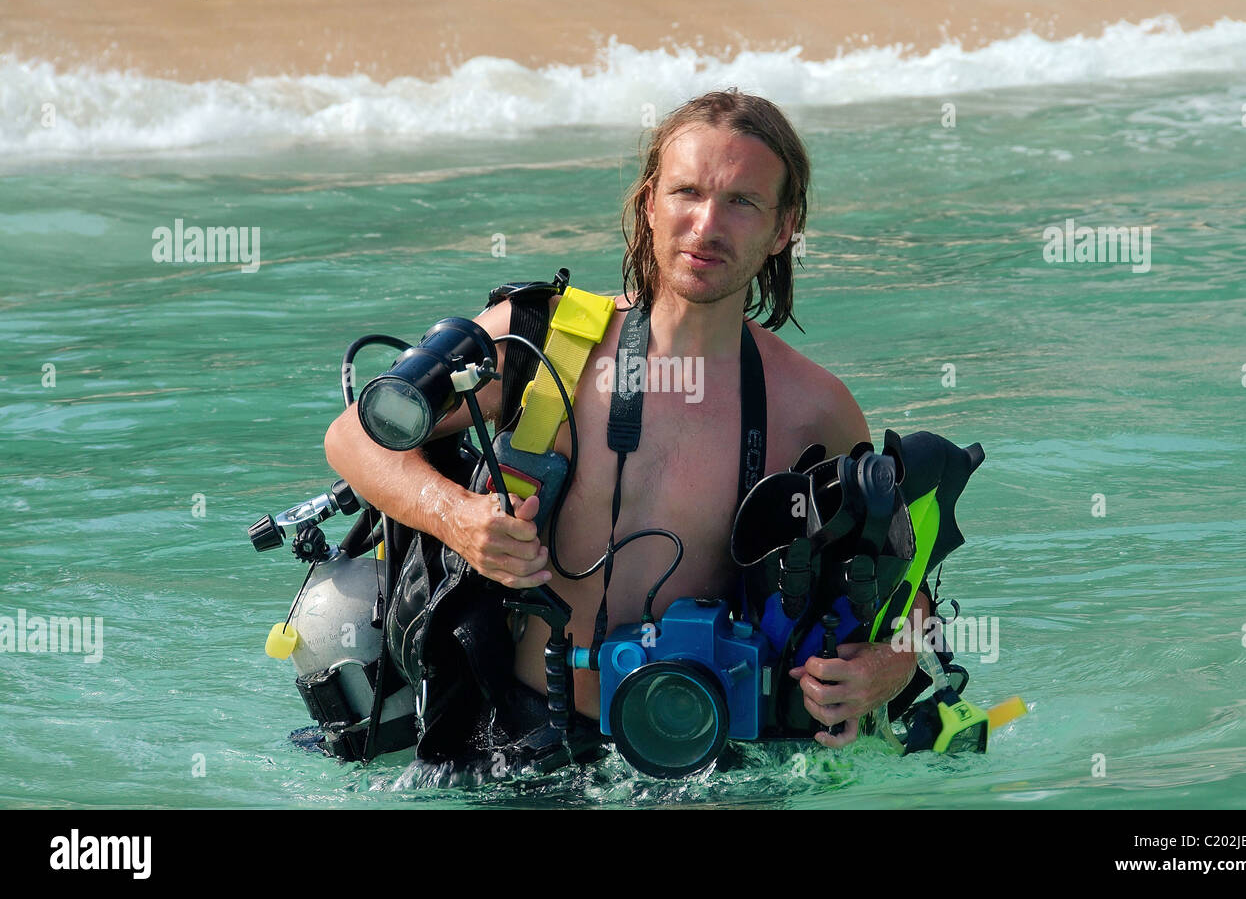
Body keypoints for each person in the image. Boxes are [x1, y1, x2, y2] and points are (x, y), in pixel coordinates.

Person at [323, 88, 929, 771]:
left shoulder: (813, 407)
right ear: (648, 202)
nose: (705, 225)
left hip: (709, 755)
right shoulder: (544, 341)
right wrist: (458, 517)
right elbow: (353, 438)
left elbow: (909, 585)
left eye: (741, 201)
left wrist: (888, 667)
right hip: (515, 737)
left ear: (784, 226)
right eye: (686, 192)